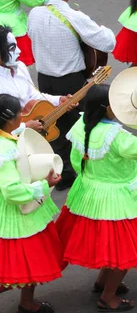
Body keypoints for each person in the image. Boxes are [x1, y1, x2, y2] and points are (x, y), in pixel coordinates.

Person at [55, 84, 137, 311]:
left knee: (109, 246)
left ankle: (102, 282)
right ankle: (107, 296)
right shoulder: (115, 136)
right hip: (119, 199)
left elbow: (77, 161)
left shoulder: (80, 124)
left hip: (88, 192)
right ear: (106, 108)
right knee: (125, 252)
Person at [27, 0, 115, 191]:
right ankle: (87, 171)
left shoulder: (34, 14)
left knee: (53, 129)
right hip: (72, 83)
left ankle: (64, 174)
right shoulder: (74, 17)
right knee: (81, 127)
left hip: (45, 81)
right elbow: (108, 42)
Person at [0, 94, 64, 313]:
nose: (22, 117)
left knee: (24, 266)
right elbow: (11, 192)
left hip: (21, 210)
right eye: (19, 113)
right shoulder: (4, 151)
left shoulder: (8, 136)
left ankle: (27, 303)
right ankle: (27, 303)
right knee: (23, 265)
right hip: (16, 213)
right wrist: (43, 186)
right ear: (10, 118)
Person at [0, 27, 71, 136]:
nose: (19, 51)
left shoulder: (21, 67)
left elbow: (32, 95)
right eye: (12, 48)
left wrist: (58, 100)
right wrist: (25, 127)